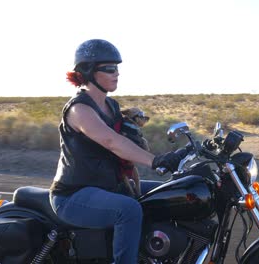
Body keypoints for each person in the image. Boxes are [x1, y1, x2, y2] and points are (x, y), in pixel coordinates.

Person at [49, 39, 182, 264]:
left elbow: (126, 144)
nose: (116, 73)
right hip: (73, 195)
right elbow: (112, 141)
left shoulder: (111, 107)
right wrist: (156, 161)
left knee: (168, 194)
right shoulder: (79, 109)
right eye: (109, 69)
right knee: (128, 210)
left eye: (117, 68)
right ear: (89, 71)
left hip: (108, 186)